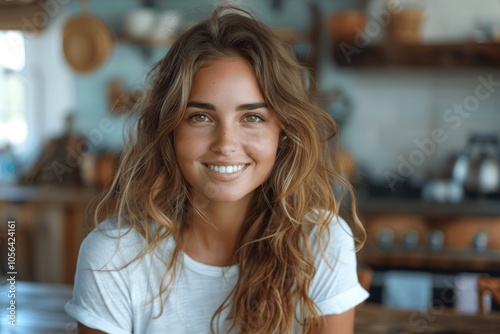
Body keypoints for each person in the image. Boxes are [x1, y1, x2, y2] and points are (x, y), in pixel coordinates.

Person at [65, 5, 368, 334]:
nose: (226, 143)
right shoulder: (112, 257)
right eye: (200, 117)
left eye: (251, 117)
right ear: (170, 131)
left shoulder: (322, 243)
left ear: (283, 133)